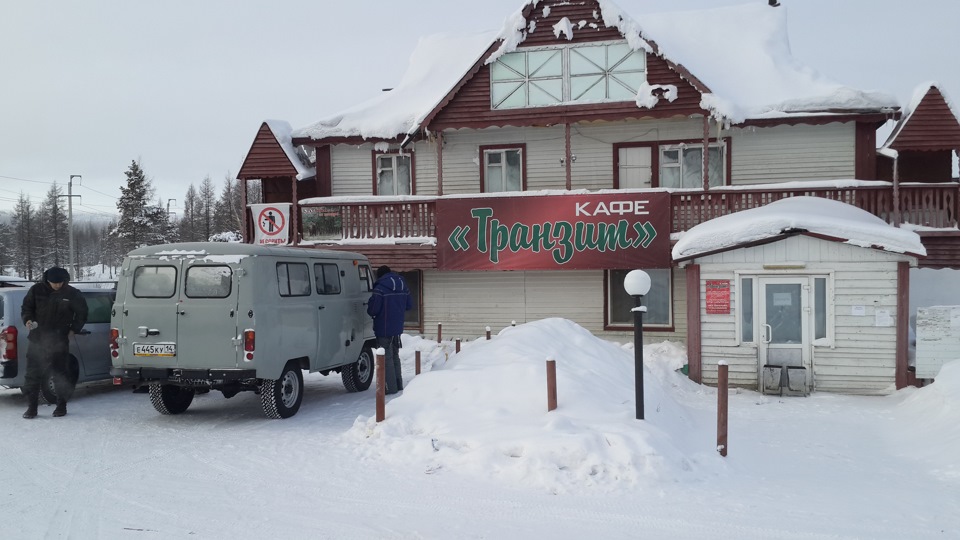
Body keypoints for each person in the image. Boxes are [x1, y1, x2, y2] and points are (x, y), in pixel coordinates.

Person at [20, 266, 88, 419]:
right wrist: (27, 320)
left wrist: (74, 329)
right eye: (54, 283)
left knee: (60, 373)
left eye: (60, 282)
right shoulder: (36, 290)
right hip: (37, 339)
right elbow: (26, 308)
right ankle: (32, 408)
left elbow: (82, 313)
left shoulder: (72, 293)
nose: (57, 285)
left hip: (59, 340)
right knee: (32, 374)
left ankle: (61, 405)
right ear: (47, 280)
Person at [366, 265, 412, 395]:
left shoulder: (379, 288)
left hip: (383, 327)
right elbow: (409, 305)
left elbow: (373, 309)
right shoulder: (403, 285)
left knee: (386, 358)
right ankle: (398, 385)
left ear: (380, 275)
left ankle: (390, 389)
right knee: (395, 356)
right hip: (397, 327)